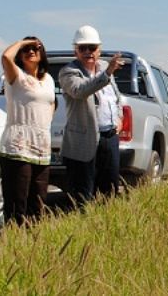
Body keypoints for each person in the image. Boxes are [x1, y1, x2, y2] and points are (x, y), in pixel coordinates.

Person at [58, 25, 124, 204]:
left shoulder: (104, 68)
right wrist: (107, 73)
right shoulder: (68, 72)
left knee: (109, 192)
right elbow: (80, 90)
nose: (88, 52)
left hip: (109, 137)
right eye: (83, 48)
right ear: (76, 51)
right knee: (82, 195)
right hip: (83, 141)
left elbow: (115, 98)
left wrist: (119, 118)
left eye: (92, 47)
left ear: (99, 50)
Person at [0, 37, 55, 225]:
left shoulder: (48, 79)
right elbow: (6, 57)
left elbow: (51, 103)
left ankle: (33, 240)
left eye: (35, 48)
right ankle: (14, 238)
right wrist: (23, 42)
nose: (31, 51)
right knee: (17, 204)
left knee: (38, 204)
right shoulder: (16, 76)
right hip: (18, 148)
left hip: (42, 150)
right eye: (26, 49)